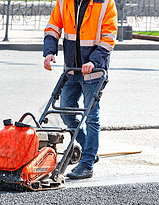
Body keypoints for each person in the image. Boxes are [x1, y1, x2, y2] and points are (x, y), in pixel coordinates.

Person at [43, 0, 117, 179]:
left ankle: (87, 163)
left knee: (91, 116)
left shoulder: (105, 3)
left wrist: (93, 61)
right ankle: (88, 149)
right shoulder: (64, 2)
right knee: (66, 112)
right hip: (71, 69)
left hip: (93, 71)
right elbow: (53, 27)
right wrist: (49, 52)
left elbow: (109, 38)